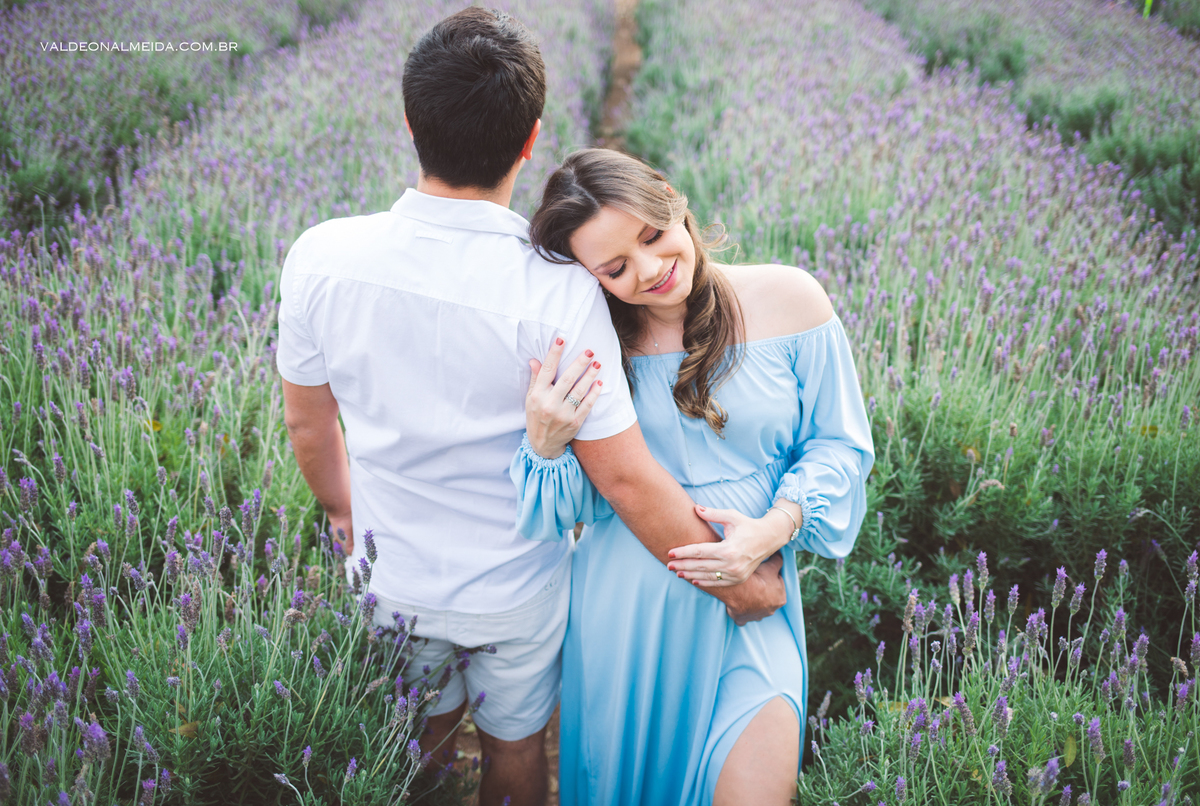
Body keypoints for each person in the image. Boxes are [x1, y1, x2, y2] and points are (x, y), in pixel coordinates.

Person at [276, 11, 786, 806]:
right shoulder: (556, 286)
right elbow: (622, 479)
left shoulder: (321, 256)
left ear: (410, 123)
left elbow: (309, 424)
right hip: (515, 589)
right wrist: (738, 584)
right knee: (515, 755)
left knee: (423, 755)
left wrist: (343, 510)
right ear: (530, 139)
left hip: (392, 577)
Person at [512, 148, 875, 806]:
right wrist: (543, 445)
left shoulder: (790, 299)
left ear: (674, 203)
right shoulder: (594, 344)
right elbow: (564, 510)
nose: (650, 270)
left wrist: (775, 526)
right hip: (628, 616)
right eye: (616, 268)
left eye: (653, 237)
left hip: (754, 598)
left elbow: (840, 446)